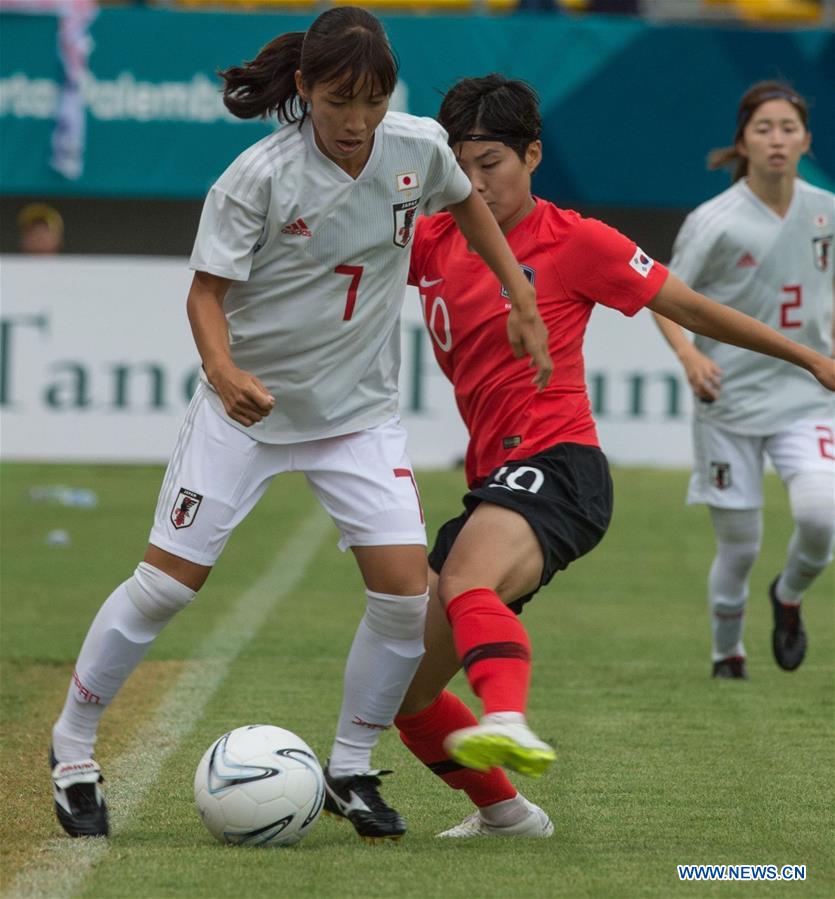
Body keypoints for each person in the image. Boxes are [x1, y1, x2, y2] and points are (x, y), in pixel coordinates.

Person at [48, 11, 552, 844]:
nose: (356, 120)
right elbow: (205, 294)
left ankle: (350, 765)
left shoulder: (417, 146)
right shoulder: (257, 177)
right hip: (247, 414)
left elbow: (468, 208)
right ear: (305, 90)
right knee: (168, 584)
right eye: (338, 99)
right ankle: (72, 750)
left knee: (401, 595)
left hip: (356, 416)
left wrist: (520, 296)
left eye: (372, 99)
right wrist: (223, 371)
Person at [392, 74, 835, 838]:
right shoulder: (429, 239)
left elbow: (690, 306)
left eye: (490, 162)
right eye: (459, 166)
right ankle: (506, 813)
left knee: (466, 576)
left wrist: (806, 358)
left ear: (532, 154)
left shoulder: (576, 240)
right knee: (405, 695)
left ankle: (507, 716)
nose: (474, 182)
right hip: (493, 480)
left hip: (560, 467)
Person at [651, 81, 834, 680]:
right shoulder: (715, 221)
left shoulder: (825, 210)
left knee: (821, 515)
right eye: (764, 128)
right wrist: (689, 357)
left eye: (787, 128)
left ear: (806, 139)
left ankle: (788, 595)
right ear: (743, 143)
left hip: (808, 391)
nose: (776, 139)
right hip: (728, 398)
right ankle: (727, 653)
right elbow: (660, 296)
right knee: (740, 546)